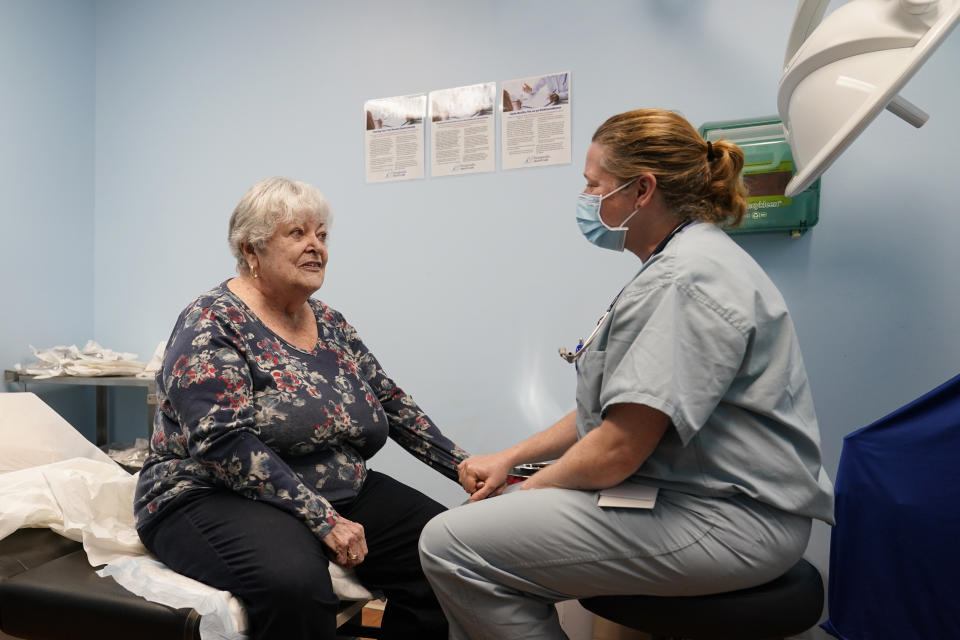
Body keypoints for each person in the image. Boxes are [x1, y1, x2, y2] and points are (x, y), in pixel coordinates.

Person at [418, 109, 835, 640]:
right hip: (715, 503)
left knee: (452, 543)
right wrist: (513, 458)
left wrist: (529, 493)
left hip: (732, 522)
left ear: (642, 190)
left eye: (594, 185)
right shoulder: (682, 263)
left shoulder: (685, 279)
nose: (587, 199)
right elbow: (616, 411)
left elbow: (617, 449)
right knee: (479, 529)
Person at [134, 177, 468, 640]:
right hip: (211, 493)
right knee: (293, 583)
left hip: (337, 484)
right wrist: (321, 518)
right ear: (252, 250)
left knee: (446, 553)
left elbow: (389, 400)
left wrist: (463, 466)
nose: (317, 247)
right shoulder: (212, 320)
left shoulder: (329, 321)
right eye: (297, 234)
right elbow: (221, 440)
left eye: (322, 235)